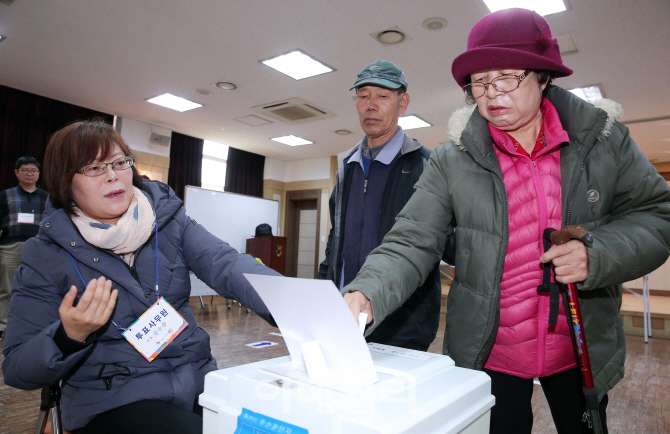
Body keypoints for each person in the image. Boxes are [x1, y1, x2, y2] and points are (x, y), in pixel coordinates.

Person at [342, 8, 670, 434]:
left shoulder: (604, 141)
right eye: (479, 83)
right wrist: (368, 291)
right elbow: (412, 239)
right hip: (490, 351)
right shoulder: (451, 158)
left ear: (543, 77)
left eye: (507, 78)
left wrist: (598, 255)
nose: (492, 94)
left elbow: (658, 215)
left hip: (579, 344)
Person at [1, 120, 279, 433]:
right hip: (113, 397)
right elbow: (17, 369)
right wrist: (69, 334)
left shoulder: (169, 220)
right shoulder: (44, 254)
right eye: (93, 167)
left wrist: (293, 304)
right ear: (65, 182)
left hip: (198, 383)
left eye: (119, 162)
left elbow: (227, 264)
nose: (112, 175)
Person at [318, 60, 442, 351]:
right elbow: (336, 242)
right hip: (345, 315)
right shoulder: (346, 168)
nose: (370, 105)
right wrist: (324, 296)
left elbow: (429, 245)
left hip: (403, 323)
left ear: (403, 103)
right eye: (363, 96)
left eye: (383, 96)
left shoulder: (426, 165)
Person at [0, 156, 48, 340]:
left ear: (39, 174)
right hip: (10, 246)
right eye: (25, 170)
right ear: (16, 172)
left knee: (37, 288)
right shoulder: (5, 195)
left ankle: (30, 326)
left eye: (34, 171)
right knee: (6, 288)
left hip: (39, 248)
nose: (30, 174)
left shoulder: (47, 197)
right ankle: (2, 325)